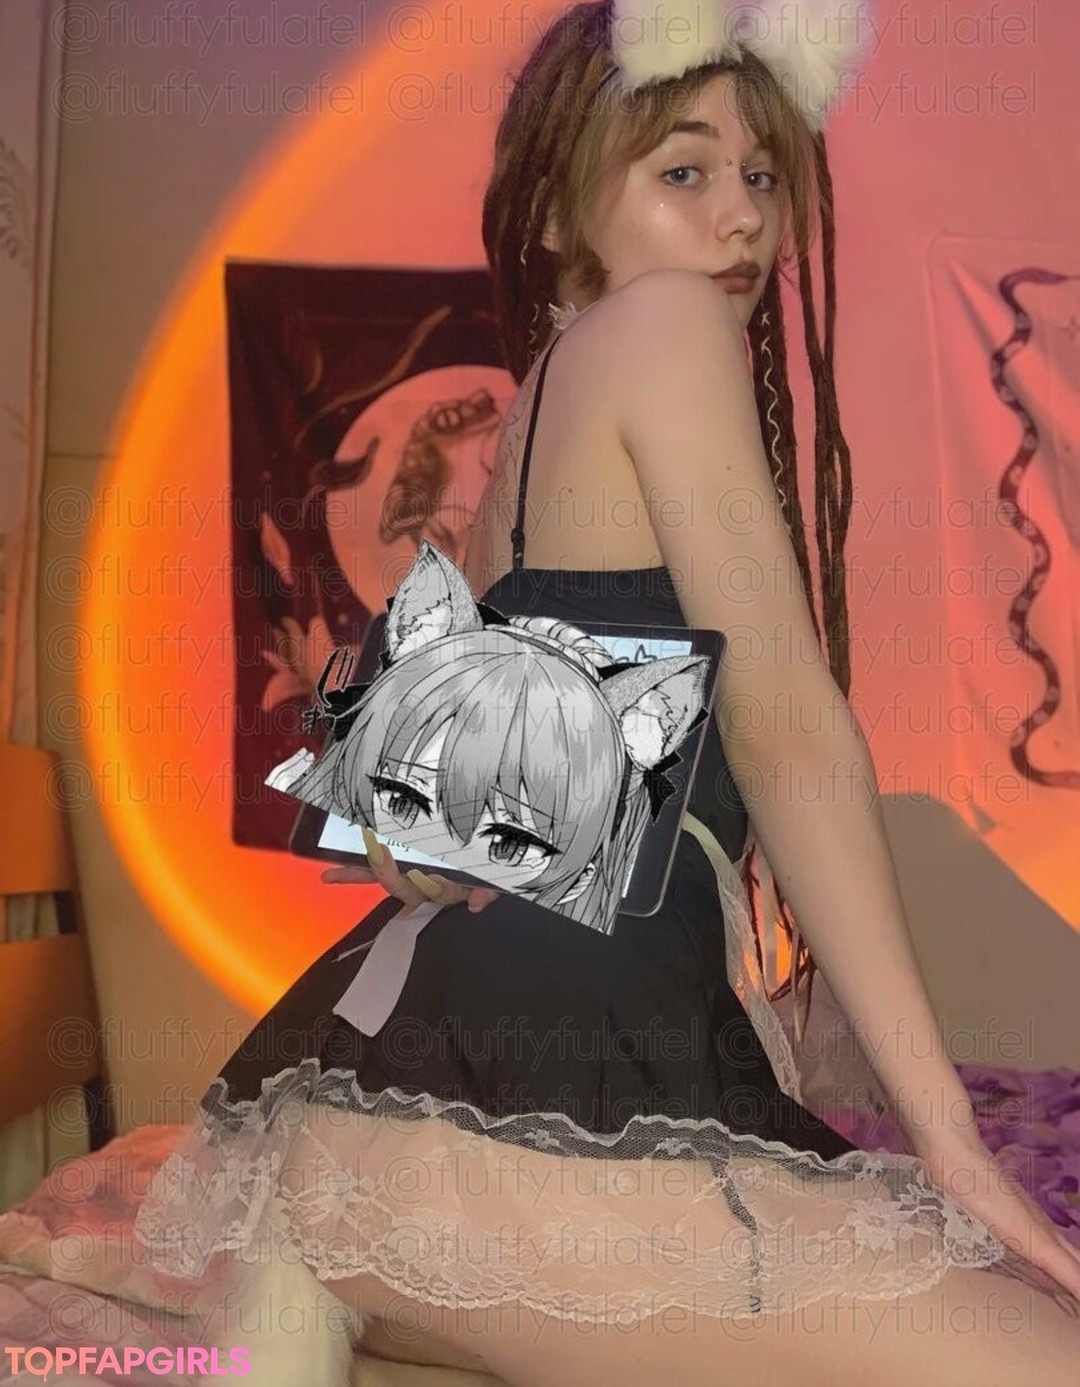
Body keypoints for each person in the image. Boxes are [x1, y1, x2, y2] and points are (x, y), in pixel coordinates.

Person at [133, 3, 1080, 1383]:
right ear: (558, 213)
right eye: (682, 172)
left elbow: (416, 827)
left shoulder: (535, 419)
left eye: (762, 175)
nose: (741, 217)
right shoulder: (664, 328)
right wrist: (951, 1143)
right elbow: (788, 728)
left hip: (362, 1139)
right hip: (501, 1141)